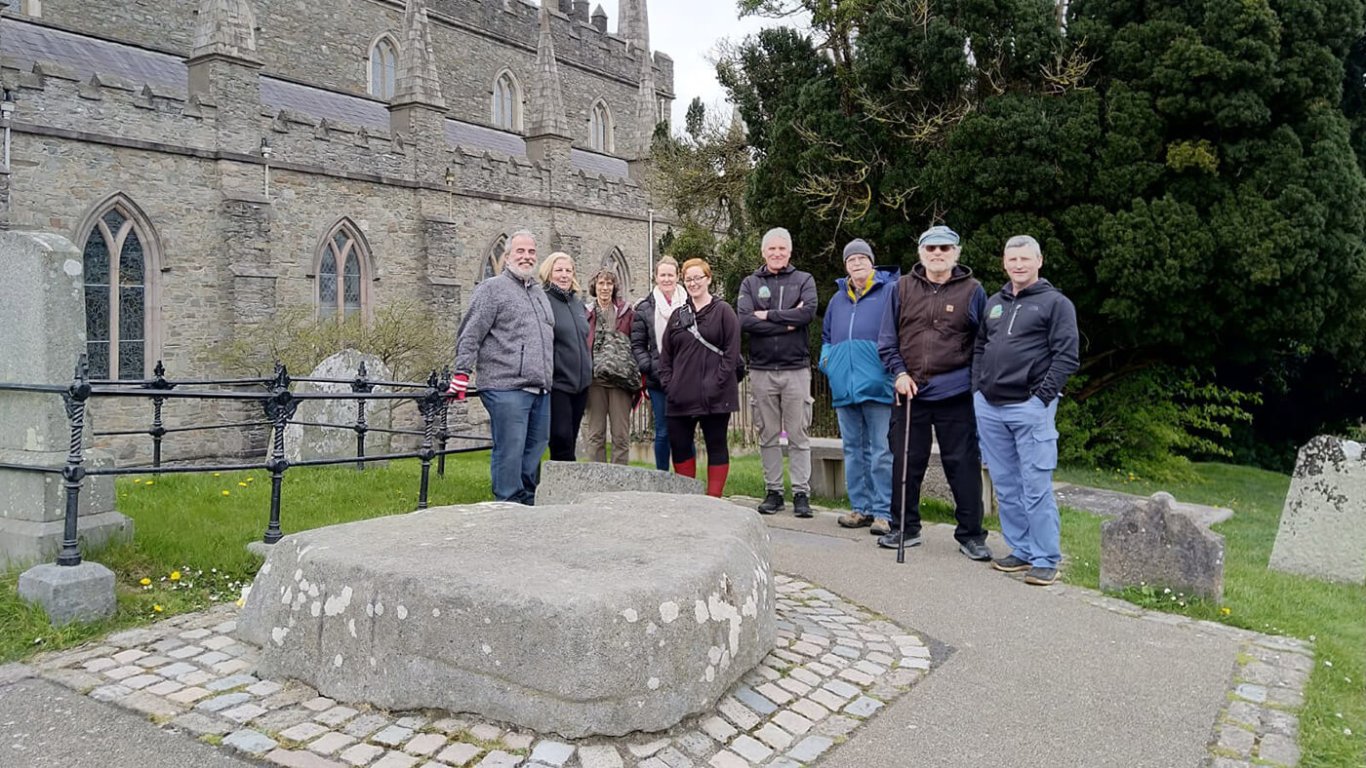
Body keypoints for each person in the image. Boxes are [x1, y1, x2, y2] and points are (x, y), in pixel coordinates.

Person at [877, 225, 993, 561]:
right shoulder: (900, 288)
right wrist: (898, 372)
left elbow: (982, 344)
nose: (937, 254)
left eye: (944, 248)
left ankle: (971, 534)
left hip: (954, 392)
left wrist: (972, 386)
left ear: (956, 252)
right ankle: (905, 527)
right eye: (931, 249)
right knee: (906, 461)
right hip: (909, 391)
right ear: (920, 253)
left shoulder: (973, 291)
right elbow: (886, 340)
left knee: (963, 465)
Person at [974, 234, 1080, 586]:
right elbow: (980, 347)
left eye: (1025, 259)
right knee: (1005, 484)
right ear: (1004, 262)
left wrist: (1041, 398)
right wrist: (977, 388)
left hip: (1029, 408)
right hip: (990, 407)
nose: (1018, 265)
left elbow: (1067, 356)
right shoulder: (994, 303)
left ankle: (1046, 557)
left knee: (1035, 485)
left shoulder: (1056, 304)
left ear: (1039, 261)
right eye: (1012, 259)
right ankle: (1020, 550)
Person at [451, 230, 554, 505]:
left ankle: (527, 502)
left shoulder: (539, 293)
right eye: (520, 251)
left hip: (540, 388)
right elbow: (470, 332)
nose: (526, 256)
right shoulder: (492, 289)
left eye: (531, 252)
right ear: (507, 256)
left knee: (534, 449)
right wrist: (462, 372)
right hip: (505, 386)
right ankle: (507, 505)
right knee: (510, 450)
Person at [819, 239, 898, 537]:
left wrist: (888, 368)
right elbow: (826, 336)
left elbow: (899, 331)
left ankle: (882, 512)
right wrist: (828, 363)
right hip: (844, 388)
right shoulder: (838, 299)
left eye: (862, 259)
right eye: (851, 260)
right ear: (845, 266)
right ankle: (860, 507)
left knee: (880, 451)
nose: (857, 264)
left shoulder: (889, 291)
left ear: (872, 263)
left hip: (877, 384)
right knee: (853, 450)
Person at [737, 227, 818, 517]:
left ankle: (801, 494)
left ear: (790, 252)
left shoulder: (804, 280)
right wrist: (787, 322)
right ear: (763, 252)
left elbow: (807, 313)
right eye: (771, 249)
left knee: (798, 434)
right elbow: (745, 321)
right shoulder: (750, 283)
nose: (777, 253)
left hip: (796, 369)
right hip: (761, 370)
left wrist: (768, 315)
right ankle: (773, 492)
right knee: (768, 434)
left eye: (782, 249)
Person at [659, 258, 741, 497]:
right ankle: (688, 499)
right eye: (689, 279)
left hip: (715, 396)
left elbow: (731, 353)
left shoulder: (724, 312)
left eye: (698, 278)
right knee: (681, 446)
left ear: (708, 279)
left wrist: (716, 384)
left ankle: (713, 500)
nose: (693, 283)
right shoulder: (677, 316)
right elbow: (666, 357)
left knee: (716, 445)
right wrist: (669, 385)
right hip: (680, 396)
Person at [539, 252, 591, 462]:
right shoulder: (544, 300)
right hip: (558, 383)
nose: (564, 275)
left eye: (568, 271)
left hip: (581, 384)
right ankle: (560, 486)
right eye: (559, 270)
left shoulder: (578, 304)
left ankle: (568, 484)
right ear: (549, 273)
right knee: (561, 437)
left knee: (570, 437)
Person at [631, 256, 682, 471]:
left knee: (685, 431)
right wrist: (650, 366)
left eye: (671, 275)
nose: (667, 279)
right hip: (658, 378)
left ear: (677, 276)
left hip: (686, 377)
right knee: (662, 431)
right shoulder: (644, 308)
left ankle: (686, 480)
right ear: (655, 277)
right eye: (663, 275)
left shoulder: (689, 304)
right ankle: (662, 476)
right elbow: (637, 344)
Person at [583, 269, 637, 464]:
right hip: (595, 380)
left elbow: (636, 341)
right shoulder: (586, 313)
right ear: (594, 287)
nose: (605, 288)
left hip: (620, 381)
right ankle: (597, 479)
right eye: (601, 284)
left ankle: (620, 478)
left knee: (621, 434)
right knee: (595, 433)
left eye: (609, 284)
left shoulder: (627, 313)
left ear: (614, 288)